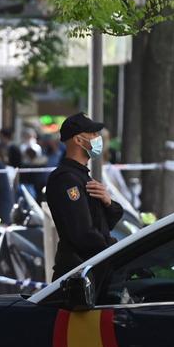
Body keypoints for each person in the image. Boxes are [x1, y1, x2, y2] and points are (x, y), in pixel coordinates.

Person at [44, 112, 123, 280]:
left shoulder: (82, 176)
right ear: (78, 140)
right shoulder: (66, 179)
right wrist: (115, 249)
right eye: (93, 134)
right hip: (79, 274)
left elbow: (104, 224)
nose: (98, 138)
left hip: (93, 270)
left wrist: (108, 203)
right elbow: (82, 233)